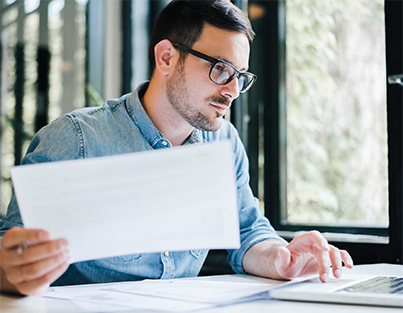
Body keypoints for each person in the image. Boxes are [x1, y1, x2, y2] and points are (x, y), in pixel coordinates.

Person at [0, 0, 353, 296]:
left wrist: (281, 257)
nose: (231, 90)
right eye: (220, 68)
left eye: (240, 76)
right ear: (167, 57)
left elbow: (246, 231)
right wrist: (11, 270)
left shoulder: (224, 142)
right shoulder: (75, 139)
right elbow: (9, 253)